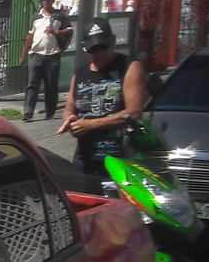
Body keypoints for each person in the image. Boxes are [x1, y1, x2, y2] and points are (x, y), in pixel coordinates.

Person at [59, 18, 146, 193]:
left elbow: (134, 112)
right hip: (84, 159)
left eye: (103, 47)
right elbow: (69, 107)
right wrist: (69, 119)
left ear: (113, 41)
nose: (99, 53)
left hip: (118, 161)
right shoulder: (81, 73)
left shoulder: (129, 67)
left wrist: (91, 125)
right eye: (93, 49)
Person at [19, 0, 72, 121]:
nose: (46, 1)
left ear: (53, 0)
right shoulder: (36, 17)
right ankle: (28, 112)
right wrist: (24, 55)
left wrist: (56, 32)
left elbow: (70, 30)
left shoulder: (59, 16)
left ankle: (50, 112)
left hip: (52, 56)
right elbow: (30, 36)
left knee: (51, 85)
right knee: (32, 84)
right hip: (37, 55)